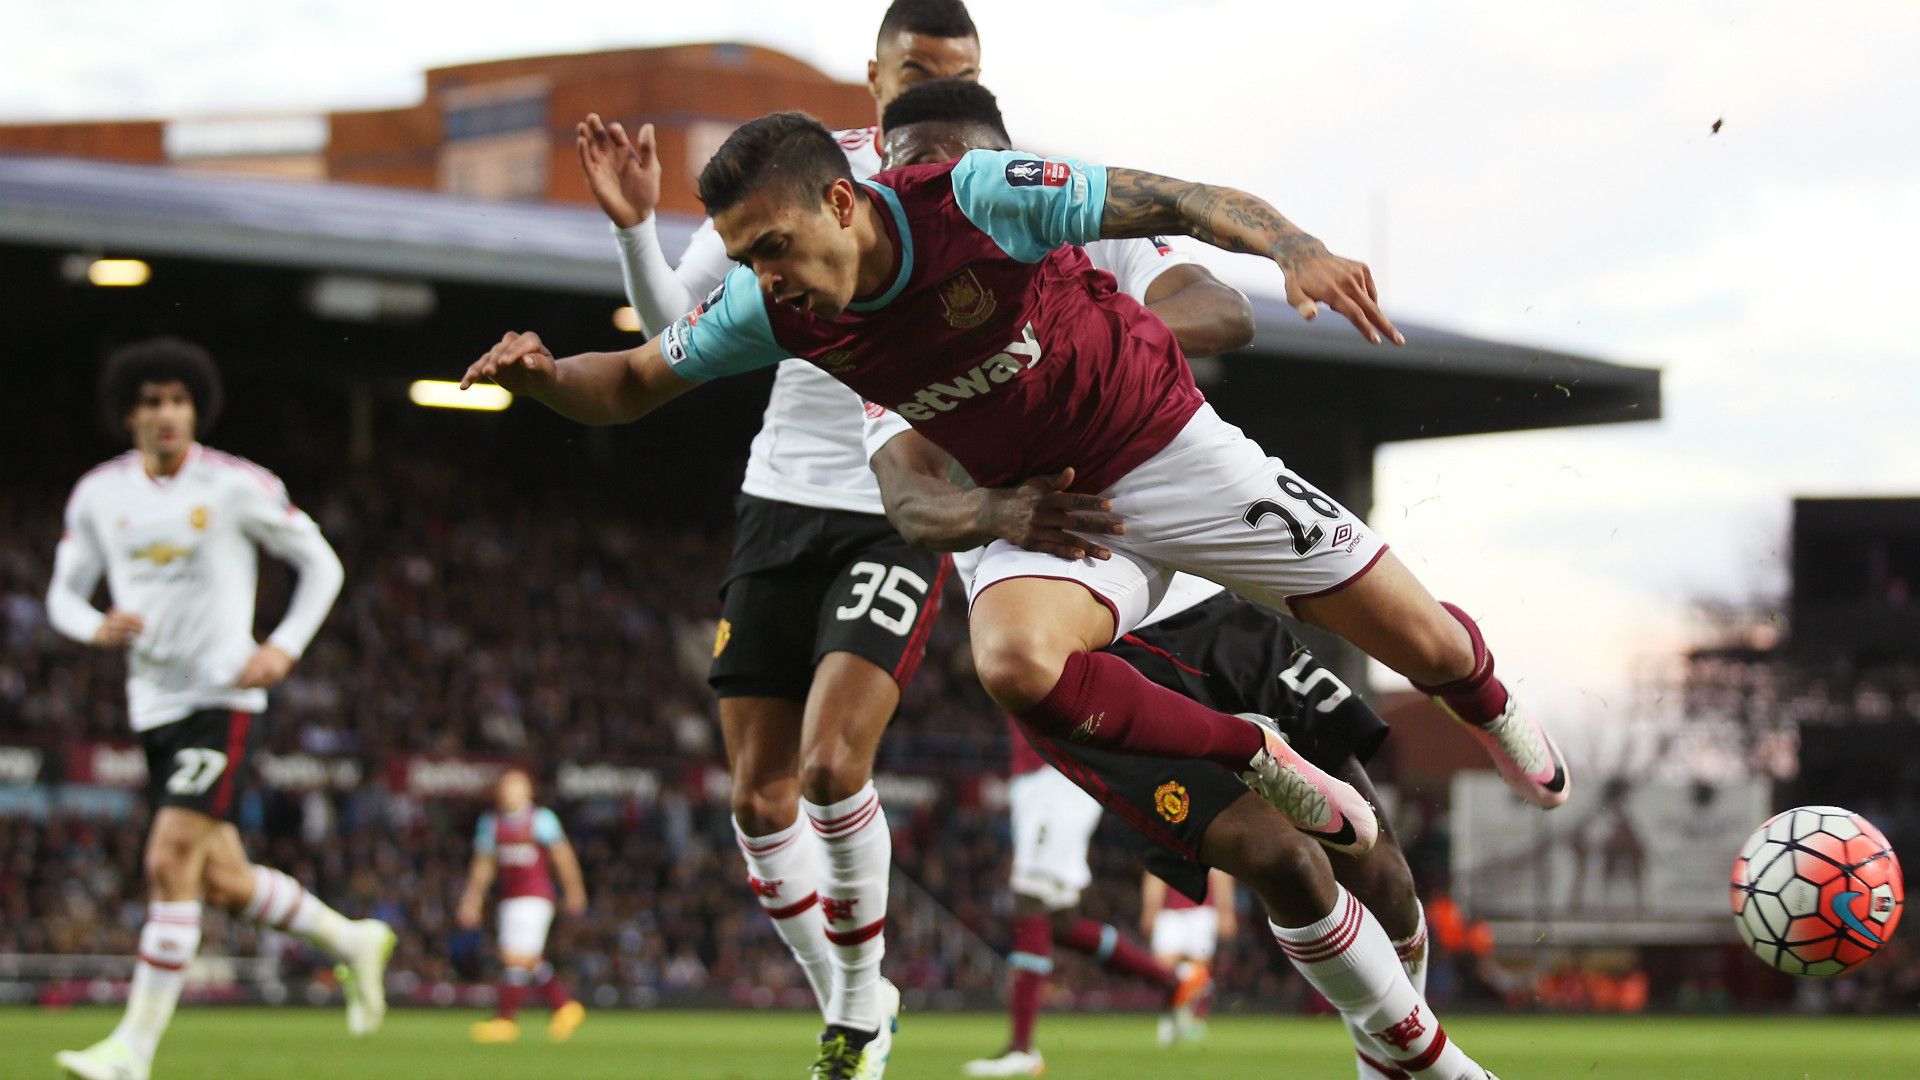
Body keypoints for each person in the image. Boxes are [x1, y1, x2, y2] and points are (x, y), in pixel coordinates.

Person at [461, 100, 1542, 1078]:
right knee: (1063, 701)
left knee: (1429, 664)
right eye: (750, 257)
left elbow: (1196, 221)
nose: (766, 276)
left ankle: (1485, 709)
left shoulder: (990, 193)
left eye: (774, 247)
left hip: (1172, 462)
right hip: (1062, 529)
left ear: (849, 198)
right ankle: (1401, 1025)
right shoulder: (806, 329)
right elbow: (648, 380)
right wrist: (547, 378)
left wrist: (1291, 253)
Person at [570, 3, 1243, 1076]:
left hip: (909, 505)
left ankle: (855, 1011)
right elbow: (670, 340)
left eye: (962, 70)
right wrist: (630, 232)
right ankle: (858, 995)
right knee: (758, 796)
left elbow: (1147, 273)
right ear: (874, 71)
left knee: (835, 767)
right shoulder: (794, 176)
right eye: (920, 66)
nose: (937, 84)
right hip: (778, 499)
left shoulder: (1000, 184)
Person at [867, 79, 1437, 1077]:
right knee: (1274, 856)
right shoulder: (881, 322)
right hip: (1077, 639)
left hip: (1204, 596)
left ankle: (1394, 1051)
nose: (934, 183)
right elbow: (912, 504)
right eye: (912, 166)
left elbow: (1221, 308)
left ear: (991, 153)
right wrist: (995, 496)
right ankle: (1418, 1063)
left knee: (1372, 850)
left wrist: (1087, 362)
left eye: (953, 161)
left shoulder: (1077, 226)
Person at [47, 339, 394, 1080]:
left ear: (196, 407)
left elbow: (321, 562)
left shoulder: (237, 485)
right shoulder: (100, 495)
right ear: (129, 414)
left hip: (222, 697)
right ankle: (354, 940)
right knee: (223, 882)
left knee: (168, 859)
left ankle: (130, 1052)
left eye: (178, 400)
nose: (166, 414)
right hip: (153, 707)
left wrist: (286, 647)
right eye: (151, 402)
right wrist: (92, 625)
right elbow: (62, 593)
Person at [457, 769, 589, 1044]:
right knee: (524, 958)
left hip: (536, 897)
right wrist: (472, 898)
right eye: (506, 787)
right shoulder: (491, 823)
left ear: (528, 792)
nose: (509, 793)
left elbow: (562, 856)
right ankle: (564, 1007)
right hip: (509, 899)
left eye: (516, 787)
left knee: (514, 956)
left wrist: (574, 889)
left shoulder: (541, 820)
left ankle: (506, 1020)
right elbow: (484, 865)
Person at [1141, 868, 1238, 1046]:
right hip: (1170, 912)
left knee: (1199, 969)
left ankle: (1193, 1018)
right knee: (1165, 970)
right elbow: (1155, 869)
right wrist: (1151, 908)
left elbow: (1220, 872)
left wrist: (1226, 910)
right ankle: (1172, 1016)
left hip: (1202, 911)